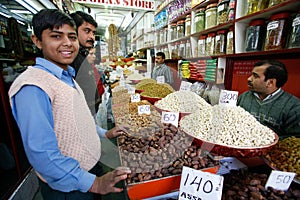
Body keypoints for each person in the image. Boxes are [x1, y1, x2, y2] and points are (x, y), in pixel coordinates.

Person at [8, 9, 130, 199]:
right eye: (56, 36)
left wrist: (104, 133)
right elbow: (43, 155)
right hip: (69, 188)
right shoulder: (32, 86)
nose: (67, 43)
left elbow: (79, 119)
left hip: (88, 169)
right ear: (37, 40)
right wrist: (94, 183)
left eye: (72, 37)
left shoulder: (67, 76)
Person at [237, 60, 300, 138]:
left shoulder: (294, 107)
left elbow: (293, 140)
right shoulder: (243, 97)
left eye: (255, 76)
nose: (249, 79)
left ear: (270, 82)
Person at [70, 11, 100, 116]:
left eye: (93, 33)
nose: (92, 37)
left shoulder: (81, 55)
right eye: (87, 31)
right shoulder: (70, 58)